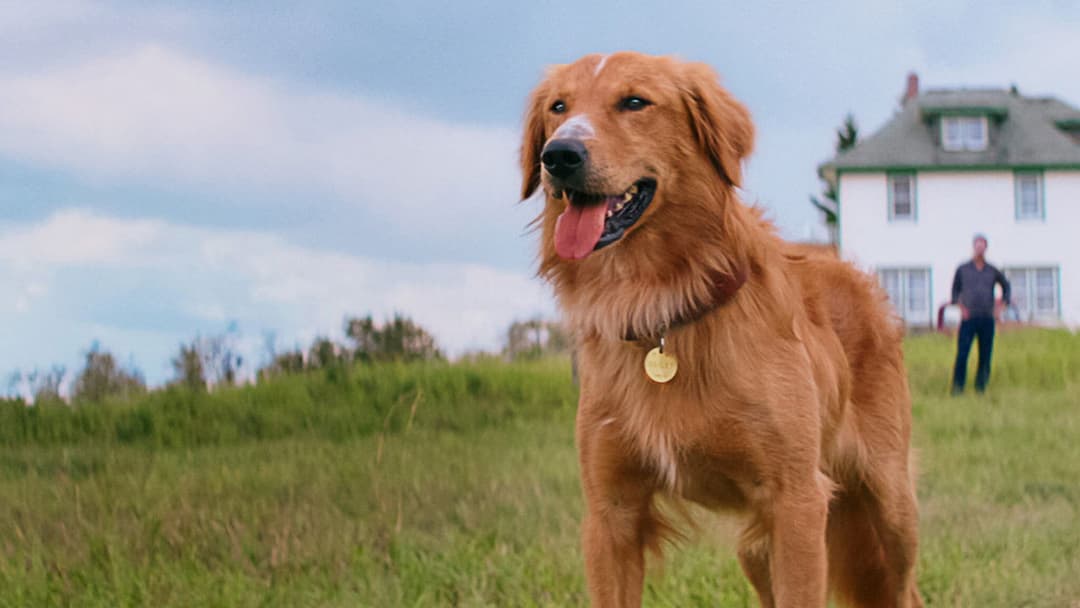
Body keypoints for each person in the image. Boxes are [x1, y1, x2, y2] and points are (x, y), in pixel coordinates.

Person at [950, 234, 1011, 394]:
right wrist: (961, 308)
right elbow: (955, 291)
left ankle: (981, 388)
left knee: (985, 355)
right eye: (977, 246)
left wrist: (1000, 307)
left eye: (982, 246)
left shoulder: (992, 270)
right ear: (973, 247)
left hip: (987, 318)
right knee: (962, 354)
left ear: (986, 248)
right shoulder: (963, 269)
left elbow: (1006, 287)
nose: (979, 249)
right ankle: (957, 389)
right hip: (969, 318)